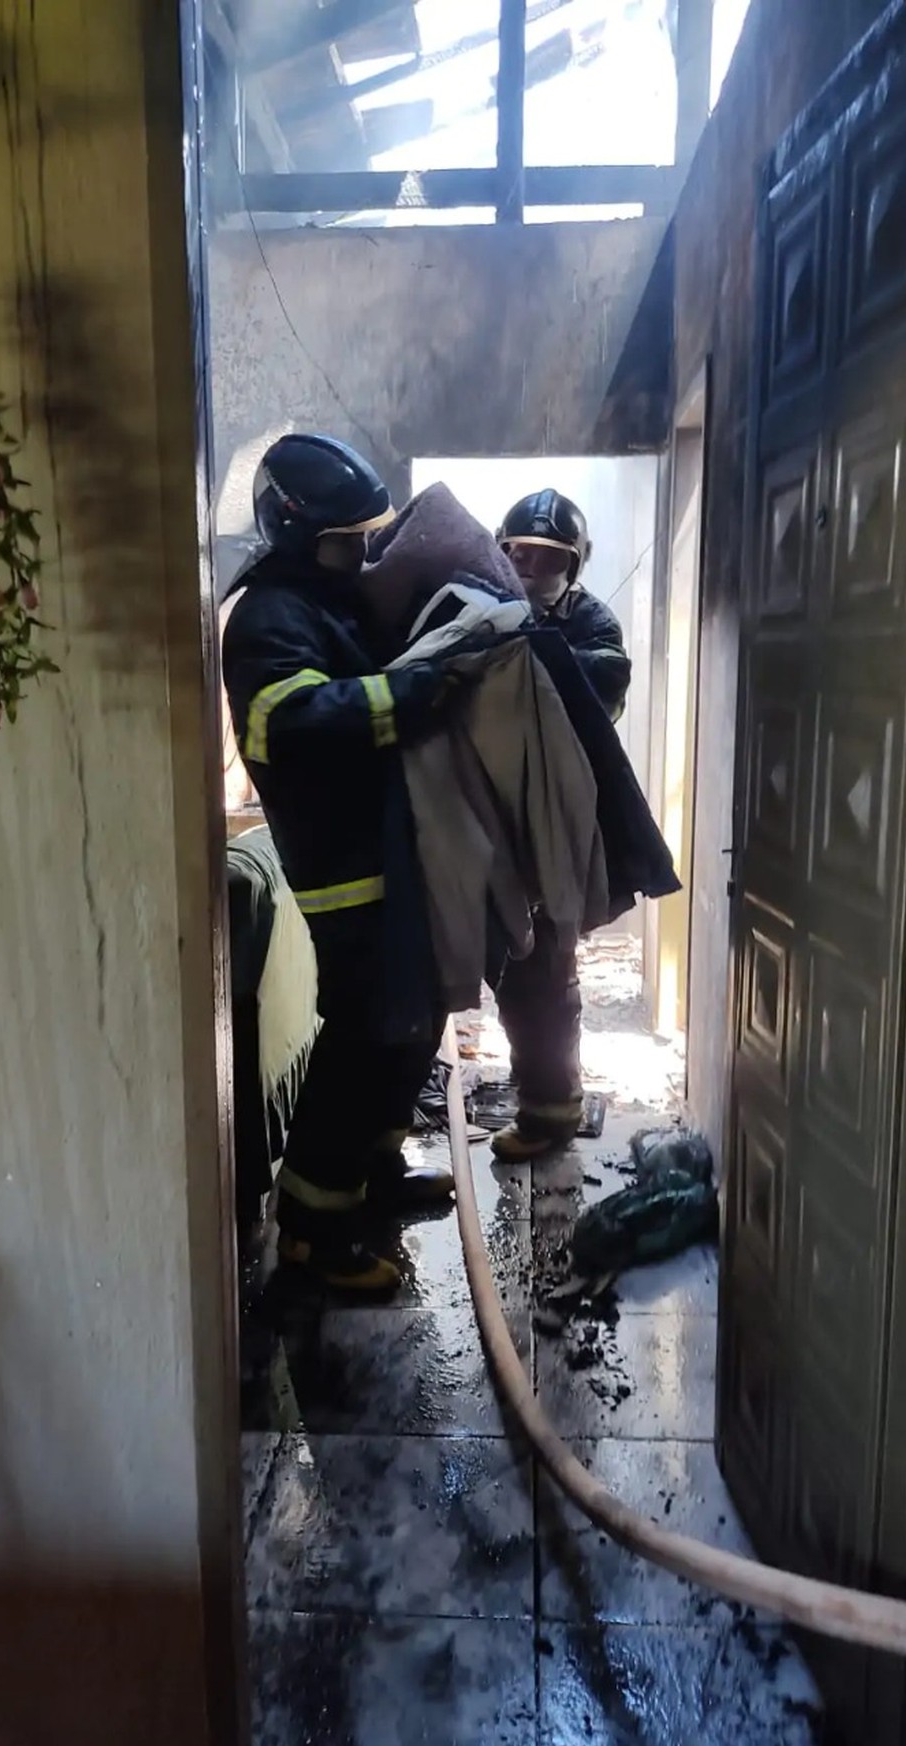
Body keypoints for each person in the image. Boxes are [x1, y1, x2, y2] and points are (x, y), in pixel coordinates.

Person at [222, 433, 459, 1296]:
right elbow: (292, 722)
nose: (361, 554)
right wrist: (411, 695)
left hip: (385, 849)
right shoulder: (267, 617)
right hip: (341, 864)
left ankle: (369, 1173)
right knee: (362, 1036)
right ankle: (313, 1232)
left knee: (410, 1018)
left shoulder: (323, 598)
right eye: (346, 541)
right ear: (297, 532)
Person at [490, 488, 632, 1163]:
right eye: (518, 553)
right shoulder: (483, 604)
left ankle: (551, 1109)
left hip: (557, 820)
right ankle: (540, 1094)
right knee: (502, 967)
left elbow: (602, 687)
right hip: (492, 816)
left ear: (573, 565)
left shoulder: (592, 623)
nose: (530, 567)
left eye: (548, 557)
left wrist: (533, 652)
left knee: (545, 969)